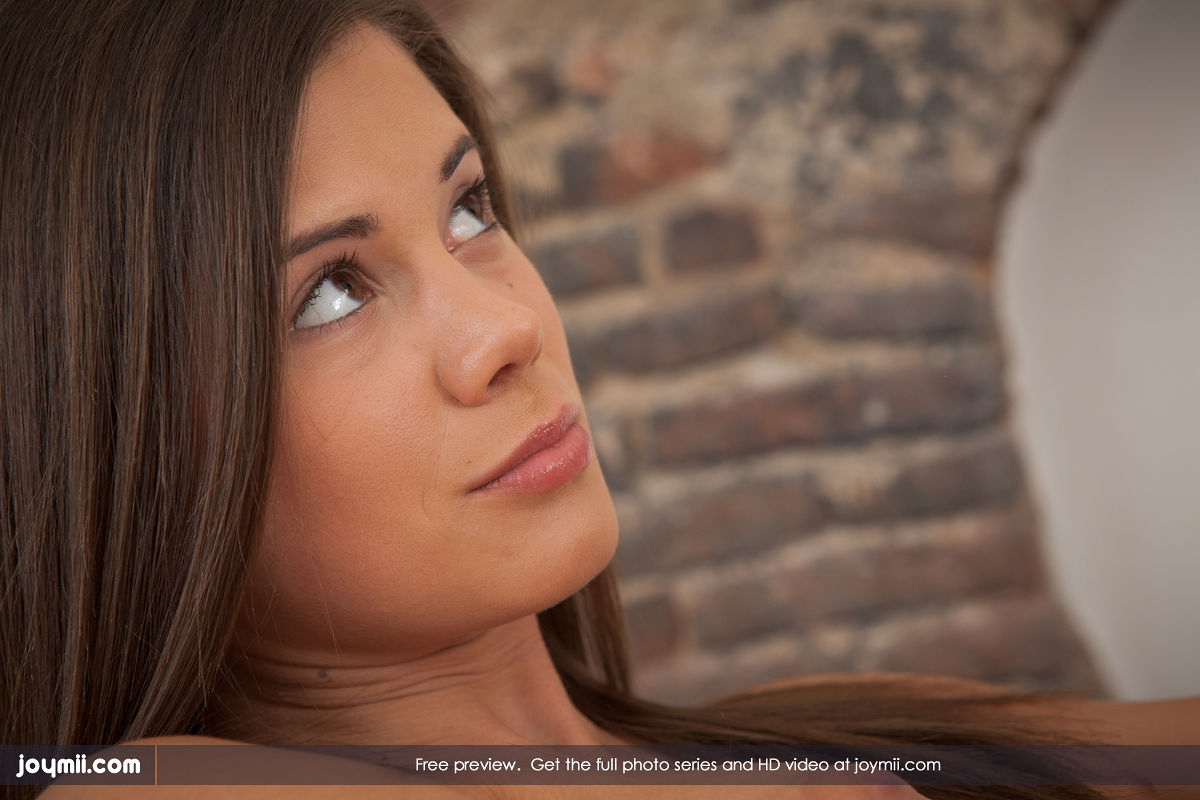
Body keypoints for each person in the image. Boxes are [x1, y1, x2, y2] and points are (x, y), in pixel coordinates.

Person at [0, 1, 1195, 799]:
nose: (508, 329)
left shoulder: (846, 726)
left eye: (469, 209)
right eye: (329, 293)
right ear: (121, 441)